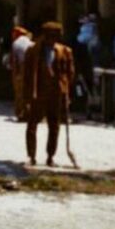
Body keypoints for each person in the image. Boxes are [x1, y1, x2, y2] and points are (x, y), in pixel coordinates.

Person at [23, 22, 75, 167]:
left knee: (54, 126)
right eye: (51, 36)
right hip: (38, 93)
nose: (53, 39)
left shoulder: (65, 51)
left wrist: (65, 90)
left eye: (56, 36)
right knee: (32, 125)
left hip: (56, 94)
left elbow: (70, 73)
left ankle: (50, 156)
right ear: (44, 36)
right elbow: (27, 75)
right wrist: (26, 95)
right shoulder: (33, 51)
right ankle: (31, 155)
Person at [9, 27, 34, 121]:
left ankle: (21, 113)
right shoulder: (31, 43)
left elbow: (14, 60)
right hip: (32, 69)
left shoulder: (16, 43)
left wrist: (15, 75)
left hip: (21, 68)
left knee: (20, 93)